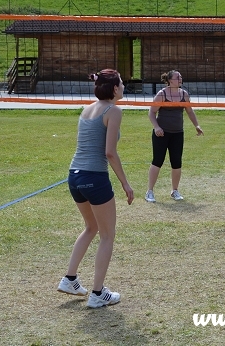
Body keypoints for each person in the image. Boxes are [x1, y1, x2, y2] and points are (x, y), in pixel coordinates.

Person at [58, 69, 134, 309]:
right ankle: (98, 293)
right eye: (121, 83)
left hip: (75, 177)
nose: (124, 87)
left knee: (91, 227)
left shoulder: (87, 108)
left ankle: (70, 279)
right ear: (114, 88)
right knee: (107, 236)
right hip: (94, 177)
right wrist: (125, 182)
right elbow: (109, 152)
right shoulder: (113, 111)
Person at [145, 70, 203, 203]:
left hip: (178, 133)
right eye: (178, 77)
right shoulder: (162, 94)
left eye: (181, 77)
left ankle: (175, 191)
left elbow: (190, 111)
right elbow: (152, 112)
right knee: (157, 161)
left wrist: (197, 126)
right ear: (170, 80)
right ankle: (150, 191)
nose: (180, 79)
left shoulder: (184, 94)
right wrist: (157, 127)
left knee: (176, 163)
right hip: (162, 133)